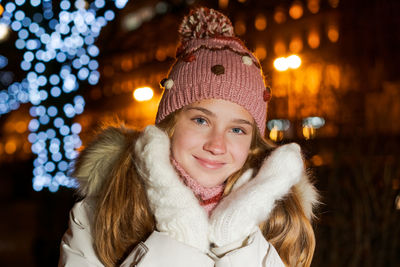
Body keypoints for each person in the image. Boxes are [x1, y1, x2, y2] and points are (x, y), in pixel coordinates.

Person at [58, 7, 319, 267]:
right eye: (201, 120)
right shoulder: (102, 210)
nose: (217, 145)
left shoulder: (282, 219)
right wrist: (178, 229)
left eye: (237, 130)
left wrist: (235, 237)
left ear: (252, 142)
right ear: (170, 125)